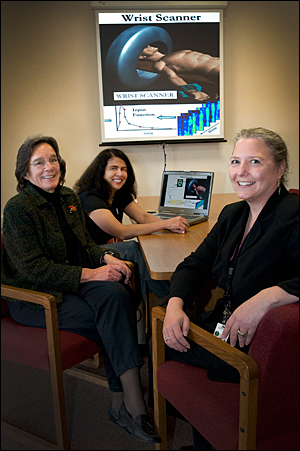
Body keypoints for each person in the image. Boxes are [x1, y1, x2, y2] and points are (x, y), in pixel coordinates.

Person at [1, 135, 160, 444]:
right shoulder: (17, 209)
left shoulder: (67, 197)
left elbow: (86, 244)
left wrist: (108, 258)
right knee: (113, 314)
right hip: (37, 297)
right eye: (39, 162)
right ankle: (130, 403)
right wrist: (92, 273)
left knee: (116, 295)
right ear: (24, 173)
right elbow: (33, 269)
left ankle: (123, 402)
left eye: (53, 160)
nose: (49, 167)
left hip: (73, 284)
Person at [160, 127, 299, 450]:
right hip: (225, 323)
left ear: (279, 169)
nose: (241, 172)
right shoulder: (233, 213)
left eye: (254, 162)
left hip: (261, 341)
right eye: (236, 162)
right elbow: (194, 265)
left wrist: (270, 296)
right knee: (170, 337)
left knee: (172, 351)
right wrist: (175, 305)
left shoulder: (292, 214)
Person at [74, 148, 189, 304]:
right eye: (113, 168)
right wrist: (164, 224)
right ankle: (171, 301)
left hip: (102, 249)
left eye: (123, 169)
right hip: (89, 253)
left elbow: (142, 216)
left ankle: (156, 303)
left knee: (144, 250)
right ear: (100, 172)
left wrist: (171, 224)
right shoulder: (90, 198)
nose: (120, 174)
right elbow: (121, 232)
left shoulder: (117, 193)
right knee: (134, 249)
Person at [137, 45, 220, 101]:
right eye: (144, 48)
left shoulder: (174, 53)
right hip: (216, 71)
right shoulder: (159, 64)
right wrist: (192, 92)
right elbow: (173, 77)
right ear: (141, 57)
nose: (148, 45)